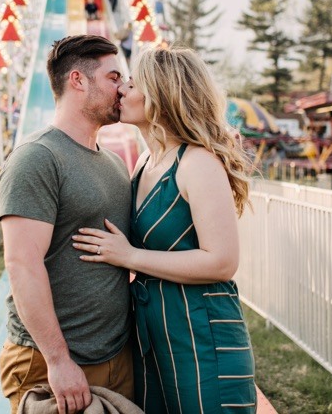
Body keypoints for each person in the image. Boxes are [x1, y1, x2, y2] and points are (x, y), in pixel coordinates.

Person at [73, 46, 257, 413]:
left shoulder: (197, 162)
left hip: (202, 335)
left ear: (161, 94)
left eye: (133, 82)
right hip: (153, 336)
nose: (122, 89)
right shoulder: (143, 162)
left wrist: (130, 257)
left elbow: (222, 262)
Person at [0, 35, 134, 414]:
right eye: (113, 78)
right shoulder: (37, 158)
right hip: (51, 360)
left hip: (115, 354)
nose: (122, 89)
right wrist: (58, 360)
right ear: (78, 80)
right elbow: (22, 263)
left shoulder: (114, 164)